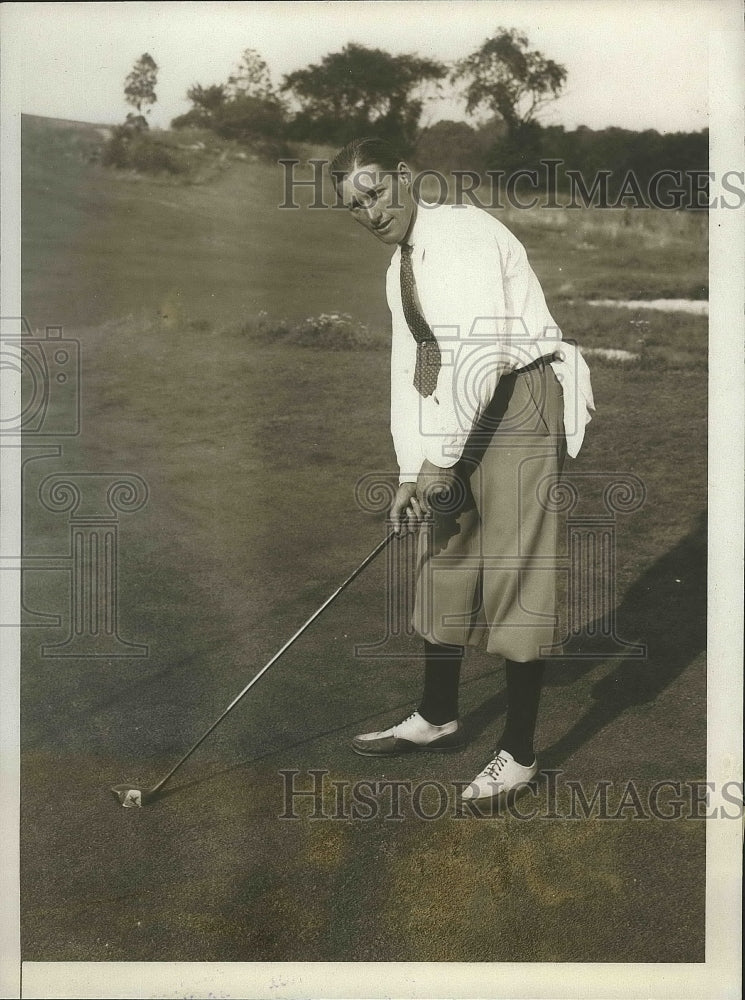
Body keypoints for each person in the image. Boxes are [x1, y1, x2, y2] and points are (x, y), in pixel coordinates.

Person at [329, 137, 594, 802]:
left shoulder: (461, 233)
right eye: (354, 206)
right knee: (442, 548)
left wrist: (440, 461)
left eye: (375, 191)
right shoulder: (399, 265)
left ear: (404, 175)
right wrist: (406, 472)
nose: (369, 210)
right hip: (461, 408)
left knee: (513, 567)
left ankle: (520, 752)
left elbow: (483, 353)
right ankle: (437, 715)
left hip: (520, 399)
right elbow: (410, 371)